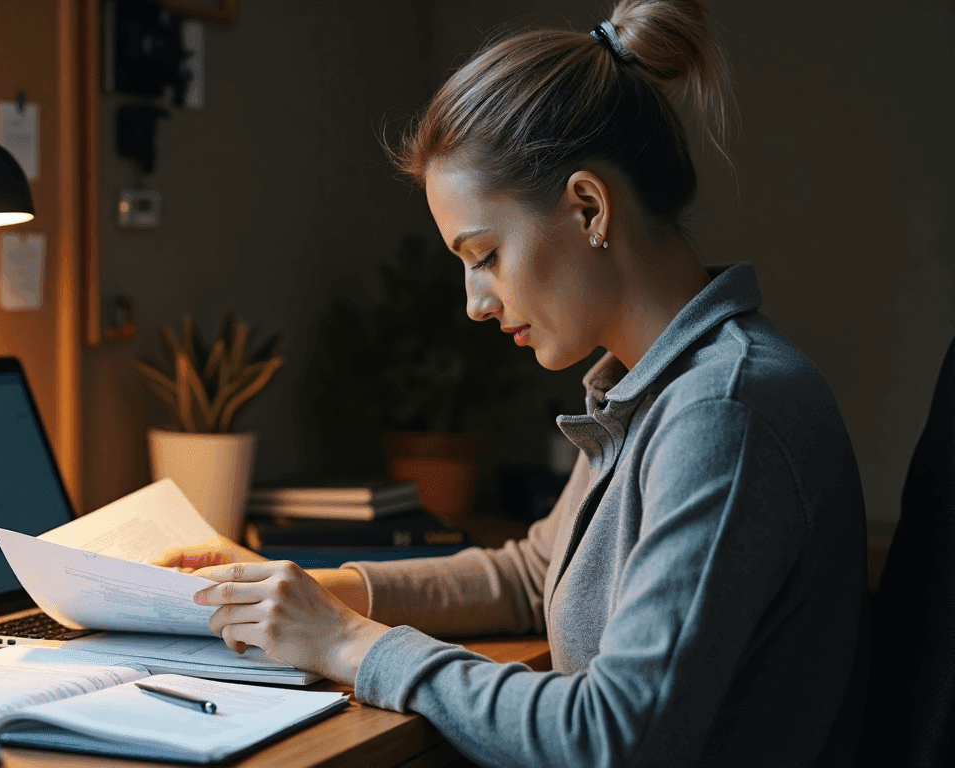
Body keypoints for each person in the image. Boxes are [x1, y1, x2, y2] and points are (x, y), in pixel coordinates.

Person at [151, 1, 869, 764]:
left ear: (589, 207)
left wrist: (354, 647)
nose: (475, 302)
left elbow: (614, 736)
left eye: (484, 254)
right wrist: (328, 592)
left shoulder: (723, 412)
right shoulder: (659, 389)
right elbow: (536, 574)